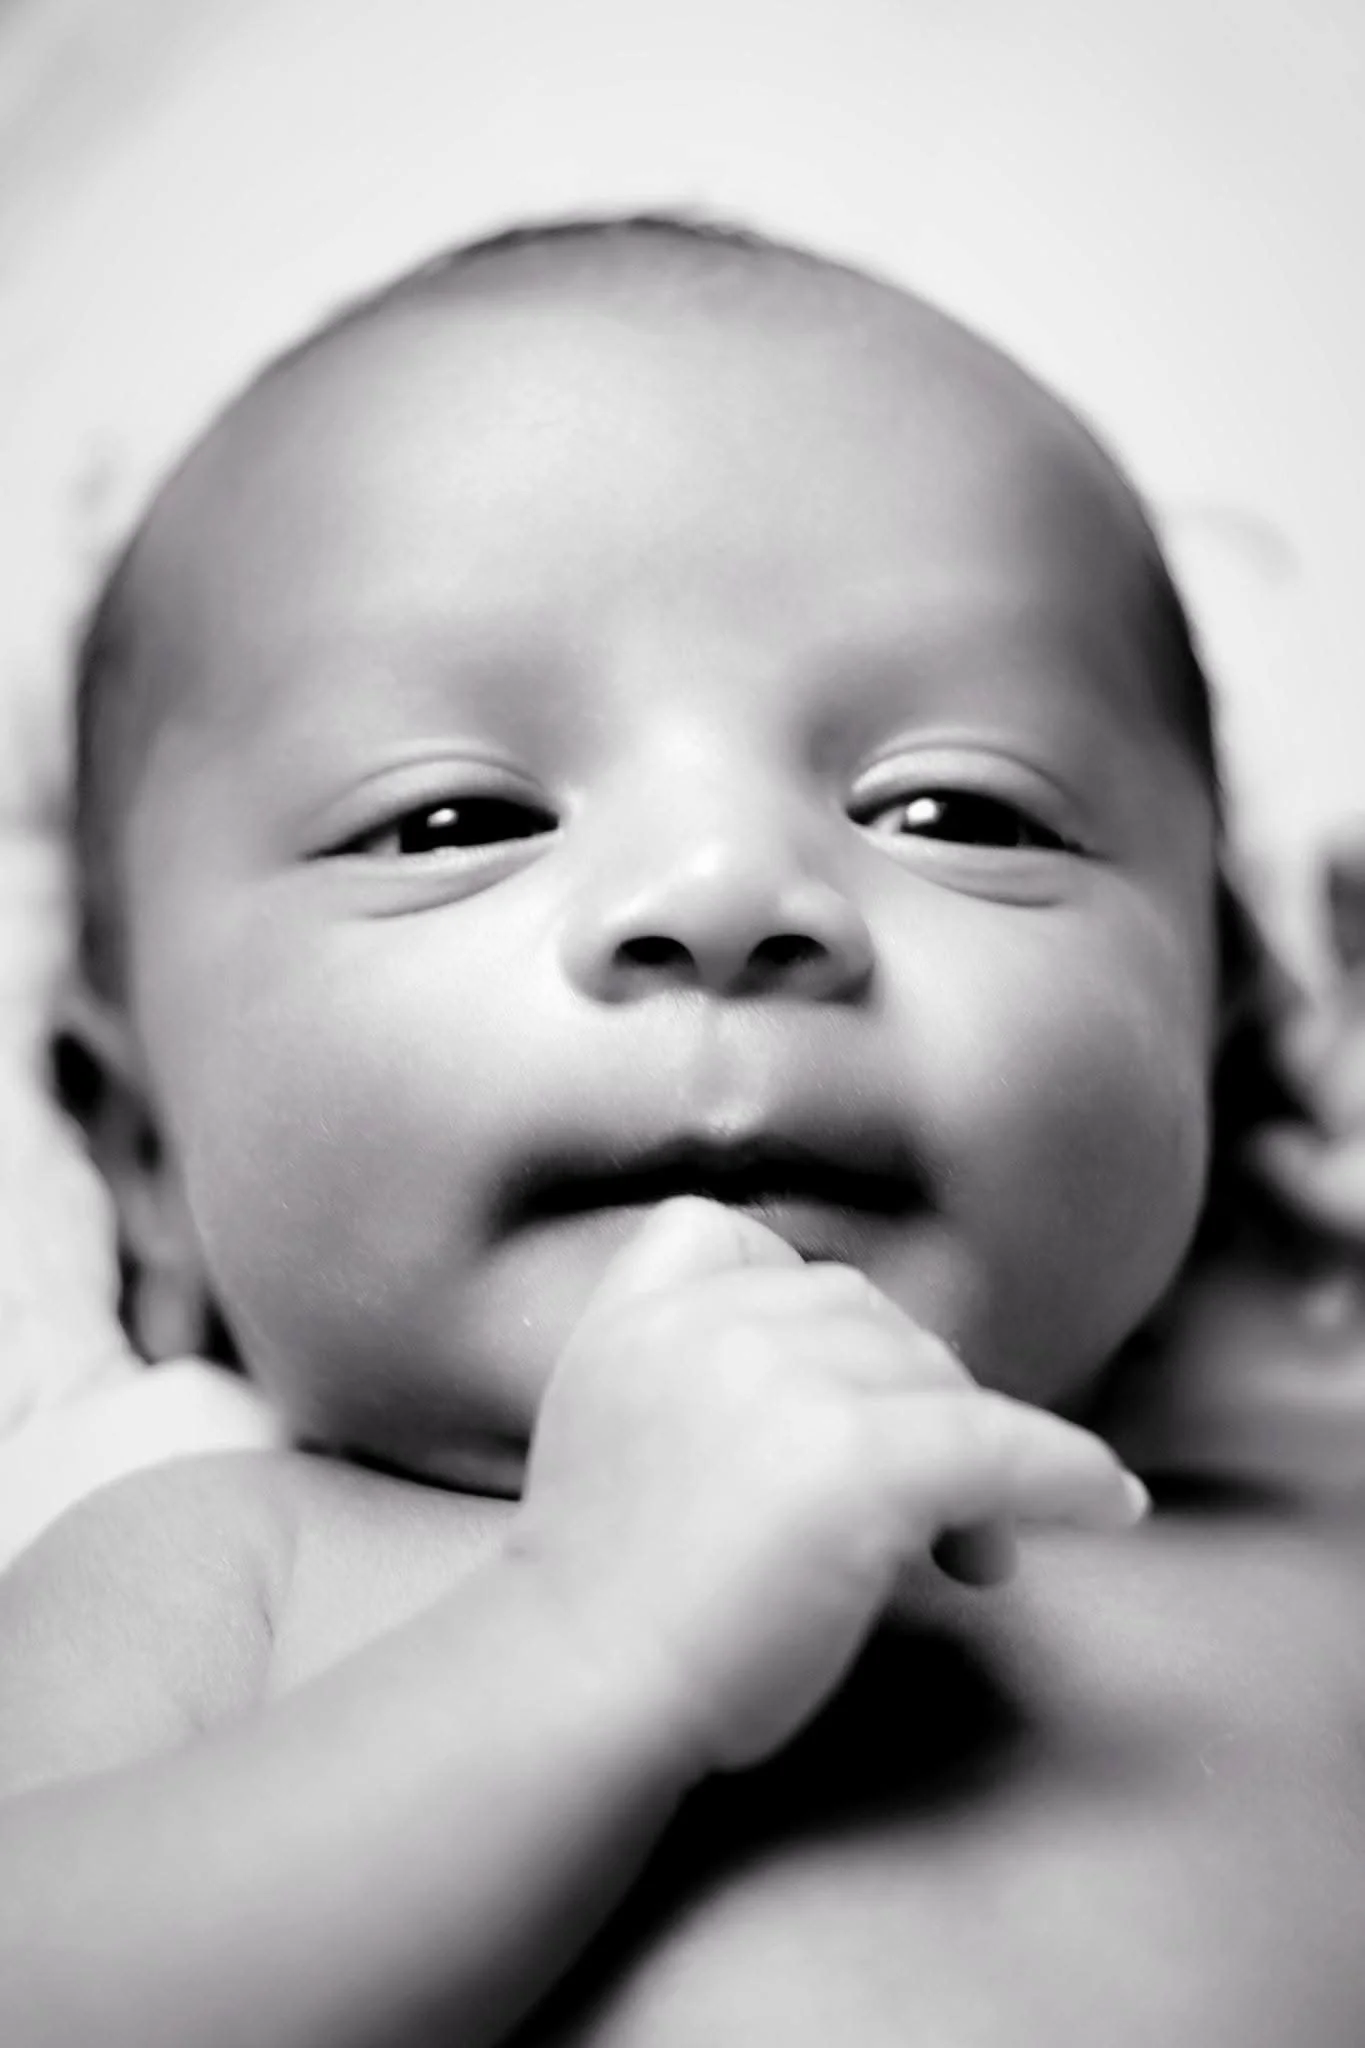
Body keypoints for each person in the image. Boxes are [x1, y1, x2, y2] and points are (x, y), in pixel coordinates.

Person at [2, 214, 1363, 2047]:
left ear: (1226, 1034)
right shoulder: (230, 1569)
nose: (728, 890)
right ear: (138, 1156)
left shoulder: (1308, 1529)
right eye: (448, 819)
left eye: (961, 807)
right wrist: (583, 1643)